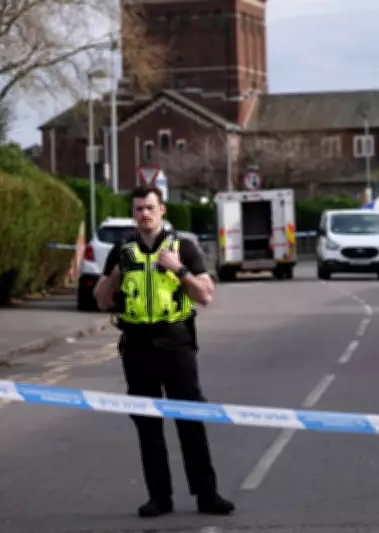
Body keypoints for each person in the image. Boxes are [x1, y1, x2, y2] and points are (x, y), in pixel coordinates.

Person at [93, 185, 235, 518]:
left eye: (149, 207)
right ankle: (159, 497)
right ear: (133, 213)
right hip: (137, 346)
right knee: (147, 424)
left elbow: (206, 295)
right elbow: (101, 300)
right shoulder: (121, 251)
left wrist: (178, 269)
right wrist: (114, 277)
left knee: (190, 419)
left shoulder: (182, 247)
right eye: (138, 208)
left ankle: (207, 495)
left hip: (176, 344)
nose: (144, 214)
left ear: (162, 210)